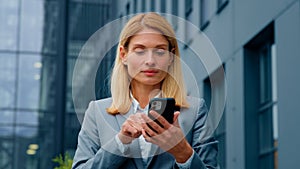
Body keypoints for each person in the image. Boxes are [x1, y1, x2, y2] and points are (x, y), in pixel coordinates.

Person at [72, 12, 218, 169]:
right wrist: (120, 142)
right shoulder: (97, 112)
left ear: (171, 57)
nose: (150, 61)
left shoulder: (194, 111)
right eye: (140, 50)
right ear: (123, 55)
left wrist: (183, 152)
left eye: (160, 51)